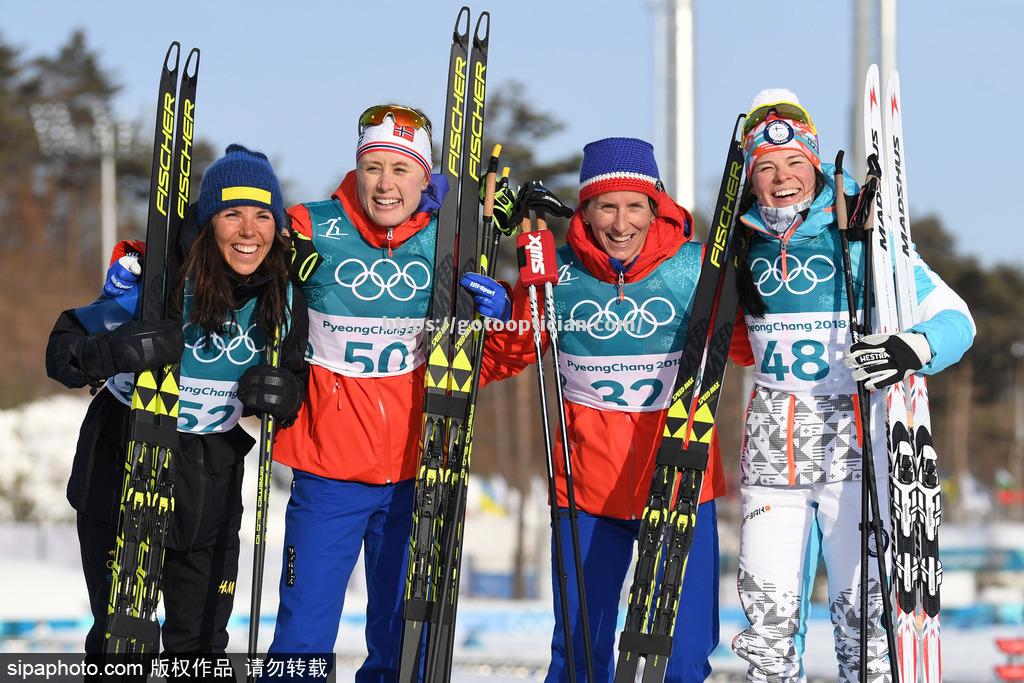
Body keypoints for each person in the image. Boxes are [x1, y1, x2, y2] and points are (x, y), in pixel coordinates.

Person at [727, 90, 975, 681]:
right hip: (770, 460)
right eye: (766, 167)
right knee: (766, 632)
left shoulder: (863, 242)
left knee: (863, 631)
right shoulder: (736, 247)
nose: (782, 180)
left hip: (853, 457)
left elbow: (957, 318)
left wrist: (907, 348)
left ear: (816, 167)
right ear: (750, 177)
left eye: (794, 166)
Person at [472, 138, 726, 682]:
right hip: (585, 489)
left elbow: (747, 347)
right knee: (579, 654)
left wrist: (752, 293)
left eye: (634, 205)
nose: (621, 221)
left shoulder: (695, 267)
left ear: (655, 207)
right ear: (584, 210)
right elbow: (504, 357)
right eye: (606, 205)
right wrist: (497, 313)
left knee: (680, 656)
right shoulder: (555, 274)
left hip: (680, 480)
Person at [45, 144, 308, 657]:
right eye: (232, 214)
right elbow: (61, 353)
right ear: (209, 222)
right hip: (123, 467)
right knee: (123, 641)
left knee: (201, 647)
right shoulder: (156, 278)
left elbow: (296, 378)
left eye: (262, 215)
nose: (248, 230)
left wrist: (283, 393)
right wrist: (114, 349)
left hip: (210, 486)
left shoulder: (286, 295)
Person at [267, 103, 473, 676]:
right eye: (374, 167)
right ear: (357, 169)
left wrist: (495, 316)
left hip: (418, 469)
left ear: (425, 178)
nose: (386, 185)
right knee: (304, 630)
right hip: (328, 468)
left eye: (402, 170)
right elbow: (224, 243)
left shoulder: (448, 243)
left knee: (402, 632)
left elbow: (488, 361)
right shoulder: (310, 224)